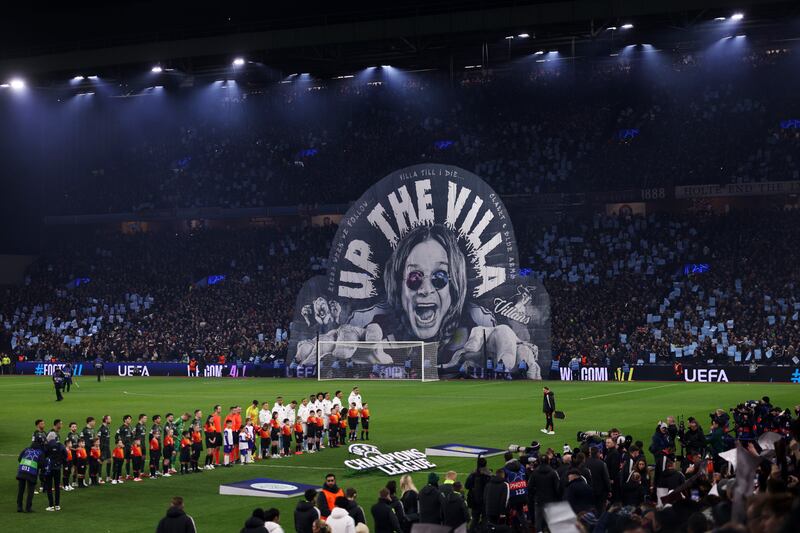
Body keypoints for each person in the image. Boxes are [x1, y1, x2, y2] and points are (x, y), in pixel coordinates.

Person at [528, 455, 560, 533]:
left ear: (539, 462)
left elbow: (530, 487)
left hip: (539, 500)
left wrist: (535, 495)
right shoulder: (553, 472)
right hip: (551, 500)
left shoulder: (534, 473)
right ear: (548, 461)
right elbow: (557, 488)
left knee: (538, 521)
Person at [465, 456, 491, 532]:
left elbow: (467, 486)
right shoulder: (488, 475)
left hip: (474, 501)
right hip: (485, 501)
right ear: (485, 464)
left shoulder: (473, 474)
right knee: (485, 519)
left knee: (475, 519)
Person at [17, 442, 44, 512]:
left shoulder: (26, 449)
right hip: (32, 473)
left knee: (21, 490)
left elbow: (19, 459)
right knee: (30, 491)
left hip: (22, 471)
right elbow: (41, 464)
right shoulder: (40, 452)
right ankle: (28, 508)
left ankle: (19, 507)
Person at [43, 436, 66, 511]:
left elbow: (44, 455)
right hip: (57, 468)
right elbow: (65, 454)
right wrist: (60, 462)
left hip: (49, 469)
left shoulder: (47, 445)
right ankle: (57, 505)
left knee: (49, 487)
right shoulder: (60, 445)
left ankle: (51, 506)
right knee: (57, 487)